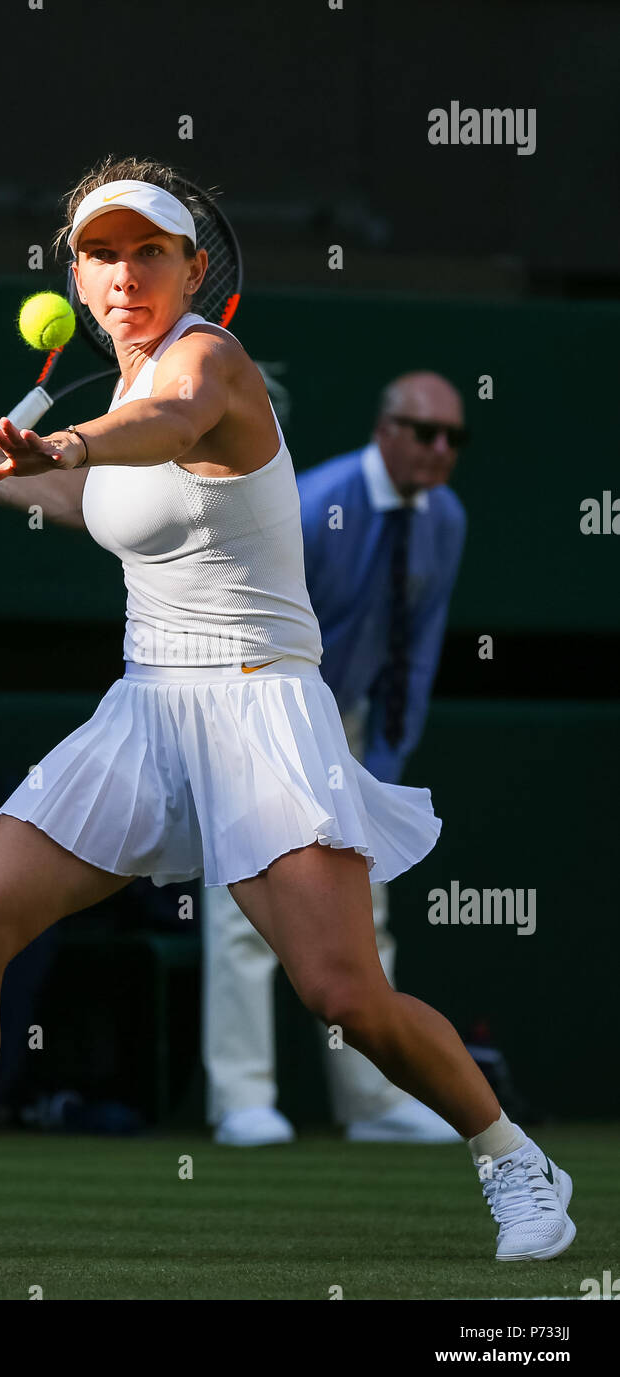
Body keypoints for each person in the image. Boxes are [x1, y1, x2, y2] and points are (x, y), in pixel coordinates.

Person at [0, 156, 575, 1264]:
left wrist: (68, 442)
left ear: (190, 268)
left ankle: (515, 1161)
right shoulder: (125, 399)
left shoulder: (207, 364)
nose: (124, 273)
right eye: (101, 253)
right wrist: (7, 478)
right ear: (73, 277)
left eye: (148, 252)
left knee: (344, 995)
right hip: (145, 708)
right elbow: (108, 506)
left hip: (258, 700)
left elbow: (165, 426)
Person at [204, 373, 468, 1147]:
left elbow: (416, 653)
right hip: (254, 708)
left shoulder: (444, 519)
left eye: (455, 439)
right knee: (243, 907)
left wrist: (380, 759)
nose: (441, 451)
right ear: (386, 429)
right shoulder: (319, 504)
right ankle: (240, 1099)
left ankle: (375, 1101)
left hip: (343, 723)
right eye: (426, 433)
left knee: (367, 903)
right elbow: (245, 618)